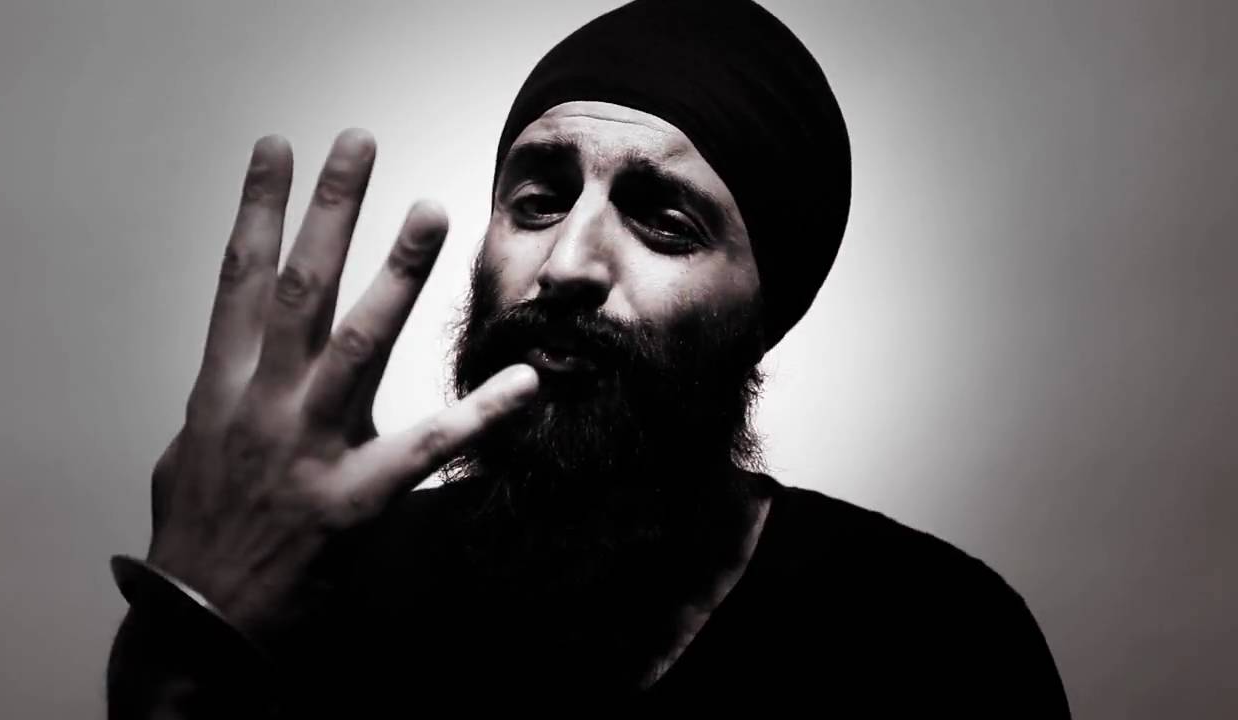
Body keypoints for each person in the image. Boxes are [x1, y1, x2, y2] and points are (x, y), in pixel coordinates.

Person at [106, 0, 1071, 715]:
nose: (567, 262)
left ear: (767, 311)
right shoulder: (323, 590)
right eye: (538, 201)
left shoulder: (934, 638)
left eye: (664, 221)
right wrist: (189, 641)